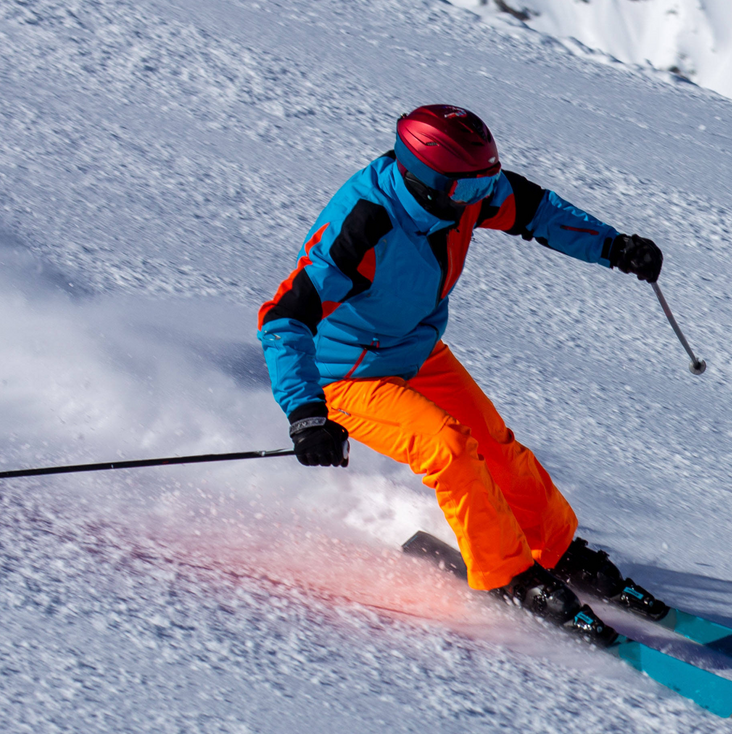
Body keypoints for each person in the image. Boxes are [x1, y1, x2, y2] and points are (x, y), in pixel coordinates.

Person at [257, 104, 668, 646]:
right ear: (423, 178)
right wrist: (307, 415)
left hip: (417, 347)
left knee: (495, 446)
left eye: (486, 185)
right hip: (346, 372)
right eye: (469, 191)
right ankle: (509, 575)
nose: (482, 201)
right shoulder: (363, 223)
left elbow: (536, 210)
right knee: (449, 448)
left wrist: (613, 246)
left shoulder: (463, 192)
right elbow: (284, 319)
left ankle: (557, 550)